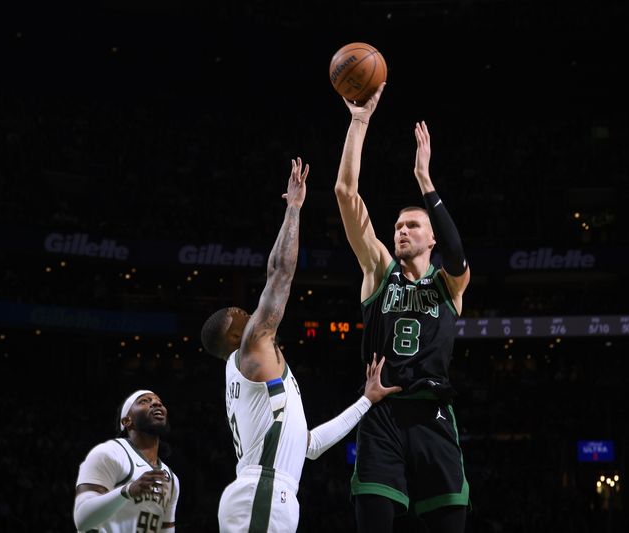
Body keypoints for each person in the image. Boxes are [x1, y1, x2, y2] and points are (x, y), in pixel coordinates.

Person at [200, 157, 401, 533]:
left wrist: (366, 401)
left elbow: (309, 444)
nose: (246, 311)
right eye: (237, 313)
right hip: (262, 490)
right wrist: (293, 208)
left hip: (270, 491)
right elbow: (279, 274)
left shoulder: (259, 378)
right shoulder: (249, 350)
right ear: (232, 337)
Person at [334, 82, 471, 532]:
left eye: (413, 225)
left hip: (432, 410)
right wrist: (360, 120)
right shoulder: (378, 270)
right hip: (381, 412)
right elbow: (345, 193)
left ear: (430, 237)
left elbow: (456, 252)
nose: (401, 230)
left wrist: (427, 183)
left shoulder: (450, 283)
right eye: (397, 225)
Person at [74, 389, 180, 532]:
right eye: (144, 401)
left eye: (159, 402)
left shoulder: (171, 478)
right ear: (127, 420)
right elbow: (82, 519)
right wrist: (127, 491)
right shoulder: (109, 453)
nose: (156, 403)